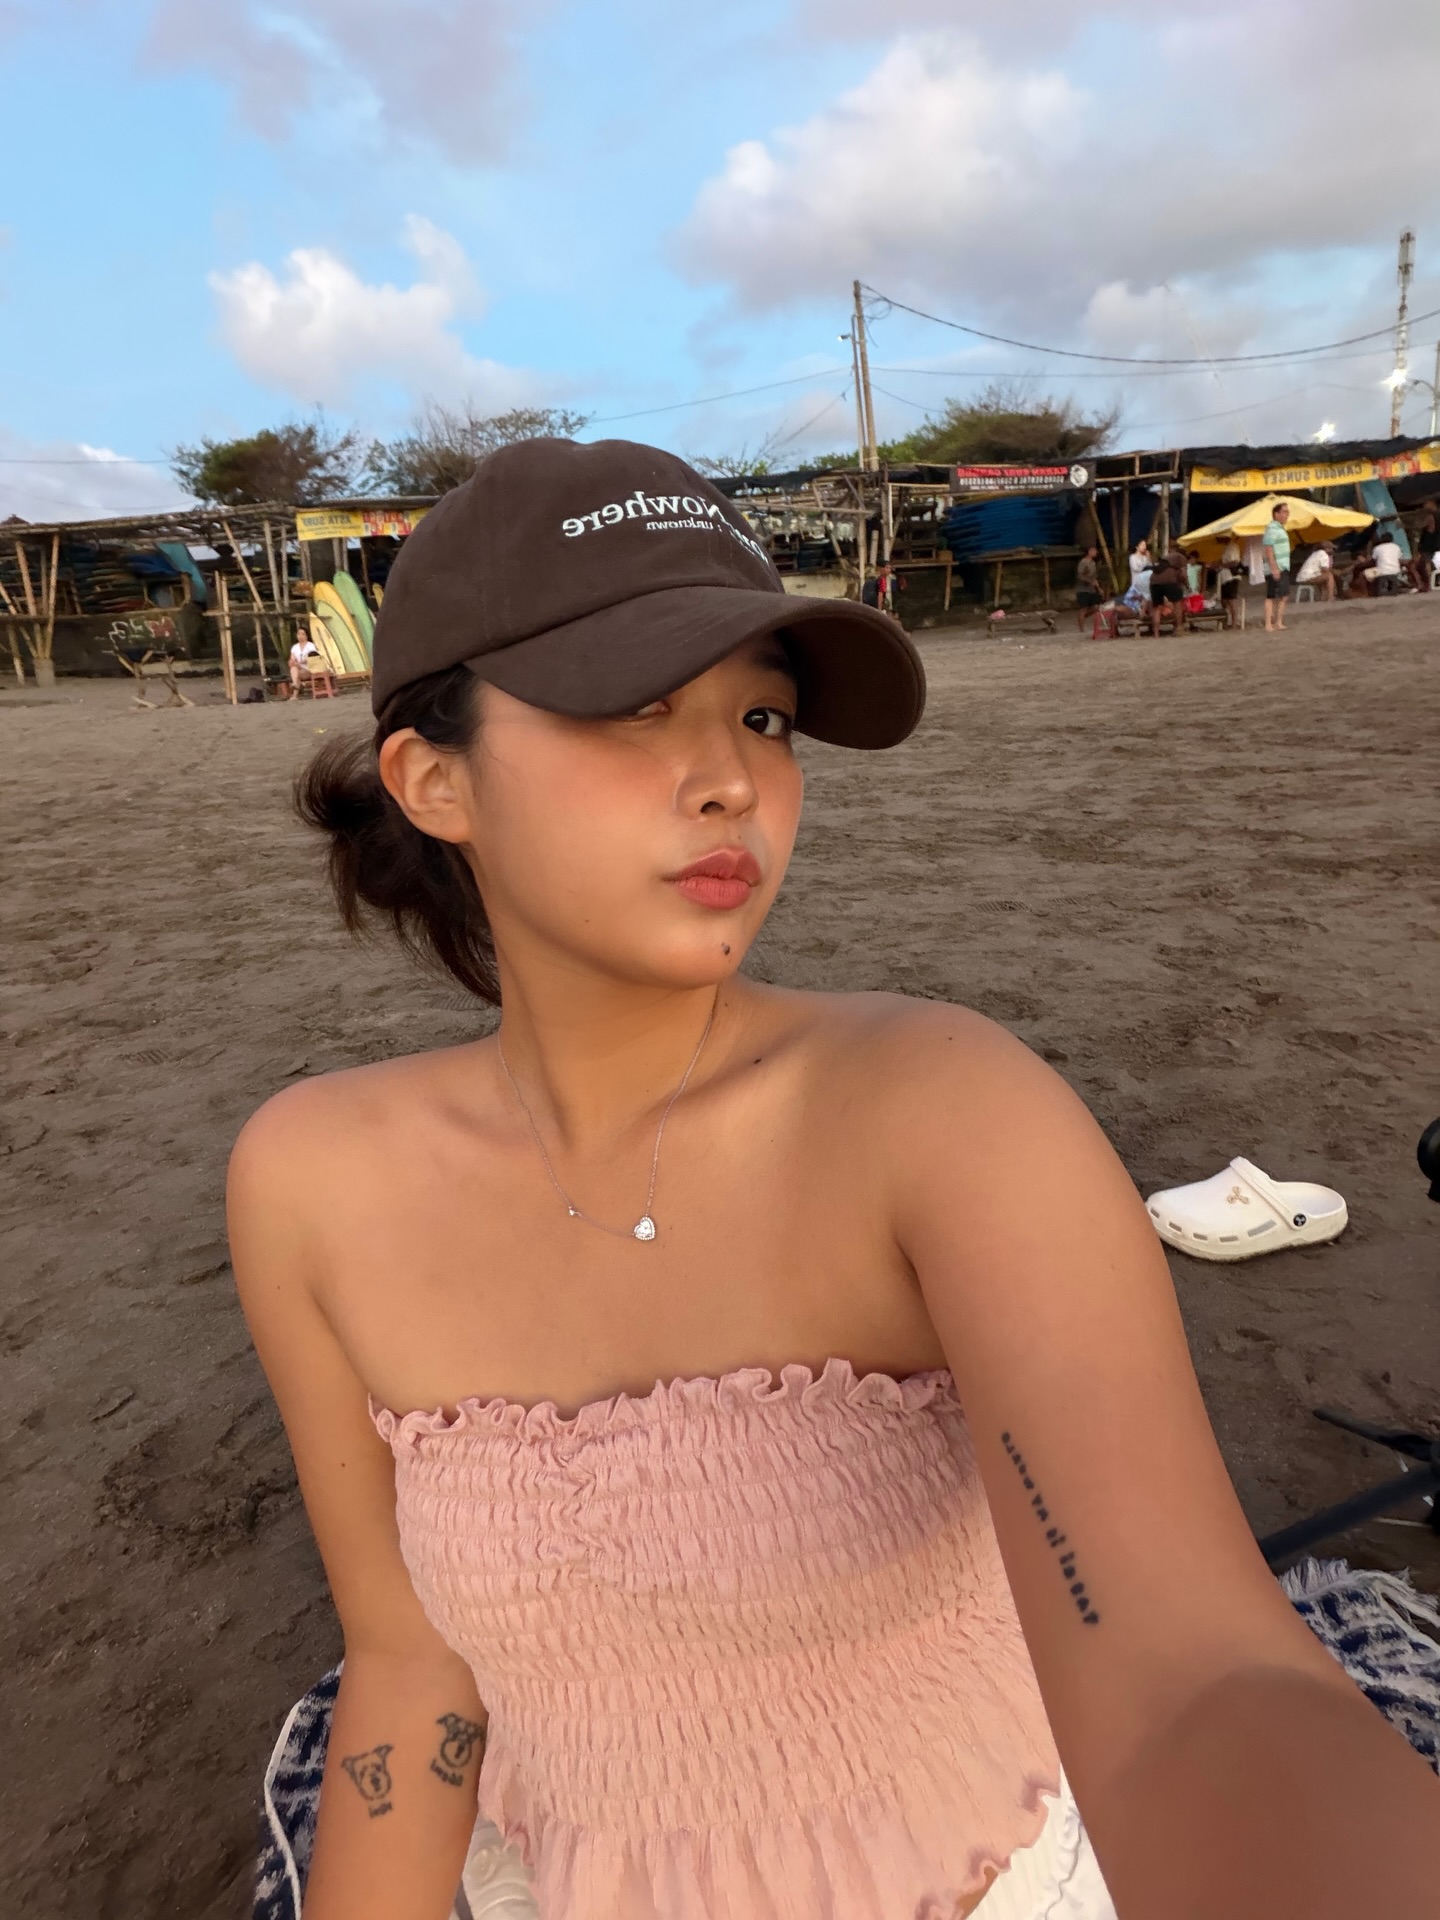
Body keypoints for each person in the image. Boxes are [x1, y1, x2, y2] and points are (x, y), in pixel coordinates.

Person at [229, 437, 1440, 1920]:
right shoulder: (312, 1181)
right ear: (434, 779)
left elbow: (1189, 1666)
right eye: (633, 706)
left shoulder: (943, 1111)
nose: (732, 781)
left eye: (764, 716)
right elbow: (411, 1665)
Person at [1145, 544, 1188, 636]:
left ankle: (1156, 633)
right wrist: (1187, 585)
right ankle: (1179, 628)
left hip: (1154, 581)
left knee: (1157, 607)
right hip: (1169, 580)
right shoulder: (1181, 557)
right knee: (1177, 603)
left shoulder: (1165, 558)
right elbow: (1183, 574)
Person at [1261, 501, 1291, 631]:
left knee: (1283, 595)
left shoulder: (1280, 529)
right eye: (1284, 512)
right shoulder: (1272, 529)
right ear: (1276, 514)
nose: (1286, 515)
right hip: (1276, 566)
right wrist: (1274, 568)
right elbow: (1269, 549)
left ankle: (1278, 621)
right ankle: (1269, 623)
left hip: (1283, 565)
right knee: (1271, 595)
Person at [1365, 527, 1405, 594]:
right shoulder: (1396, 547)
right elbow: (1399, 559)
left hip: (1381, 571)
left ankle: (1370, 591)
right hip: (1395, 570)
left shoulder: (1377, 548)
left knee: (1366, 573)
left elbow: (1373, 561)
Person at [1075, 544, 1102, 630]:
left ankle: (1082, 618)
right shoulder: (1083, 562)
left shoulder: (1093, 563)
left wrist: (1098, 588)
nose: (1096, 552)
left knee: (1095, 607)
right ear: (1089, 552)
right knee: (1083, 608)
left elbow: (1094, 577)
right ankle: (1081, 629)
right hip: (1082, 588)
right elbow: (1080, 575)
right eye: (1094, 550)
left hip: (1091, 589)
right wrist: (1090, 581)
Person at [1217, 537, 1243, 628]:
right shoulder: (1226, 547)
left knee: (1232, 600)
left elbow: (1234, 562)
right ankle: (1226, 621)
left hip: (1231, 577)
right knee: (1224, 600)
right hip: (1225, 577)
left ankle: (1234, 623)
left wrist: (1222, 565)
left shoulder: (1232, 547)